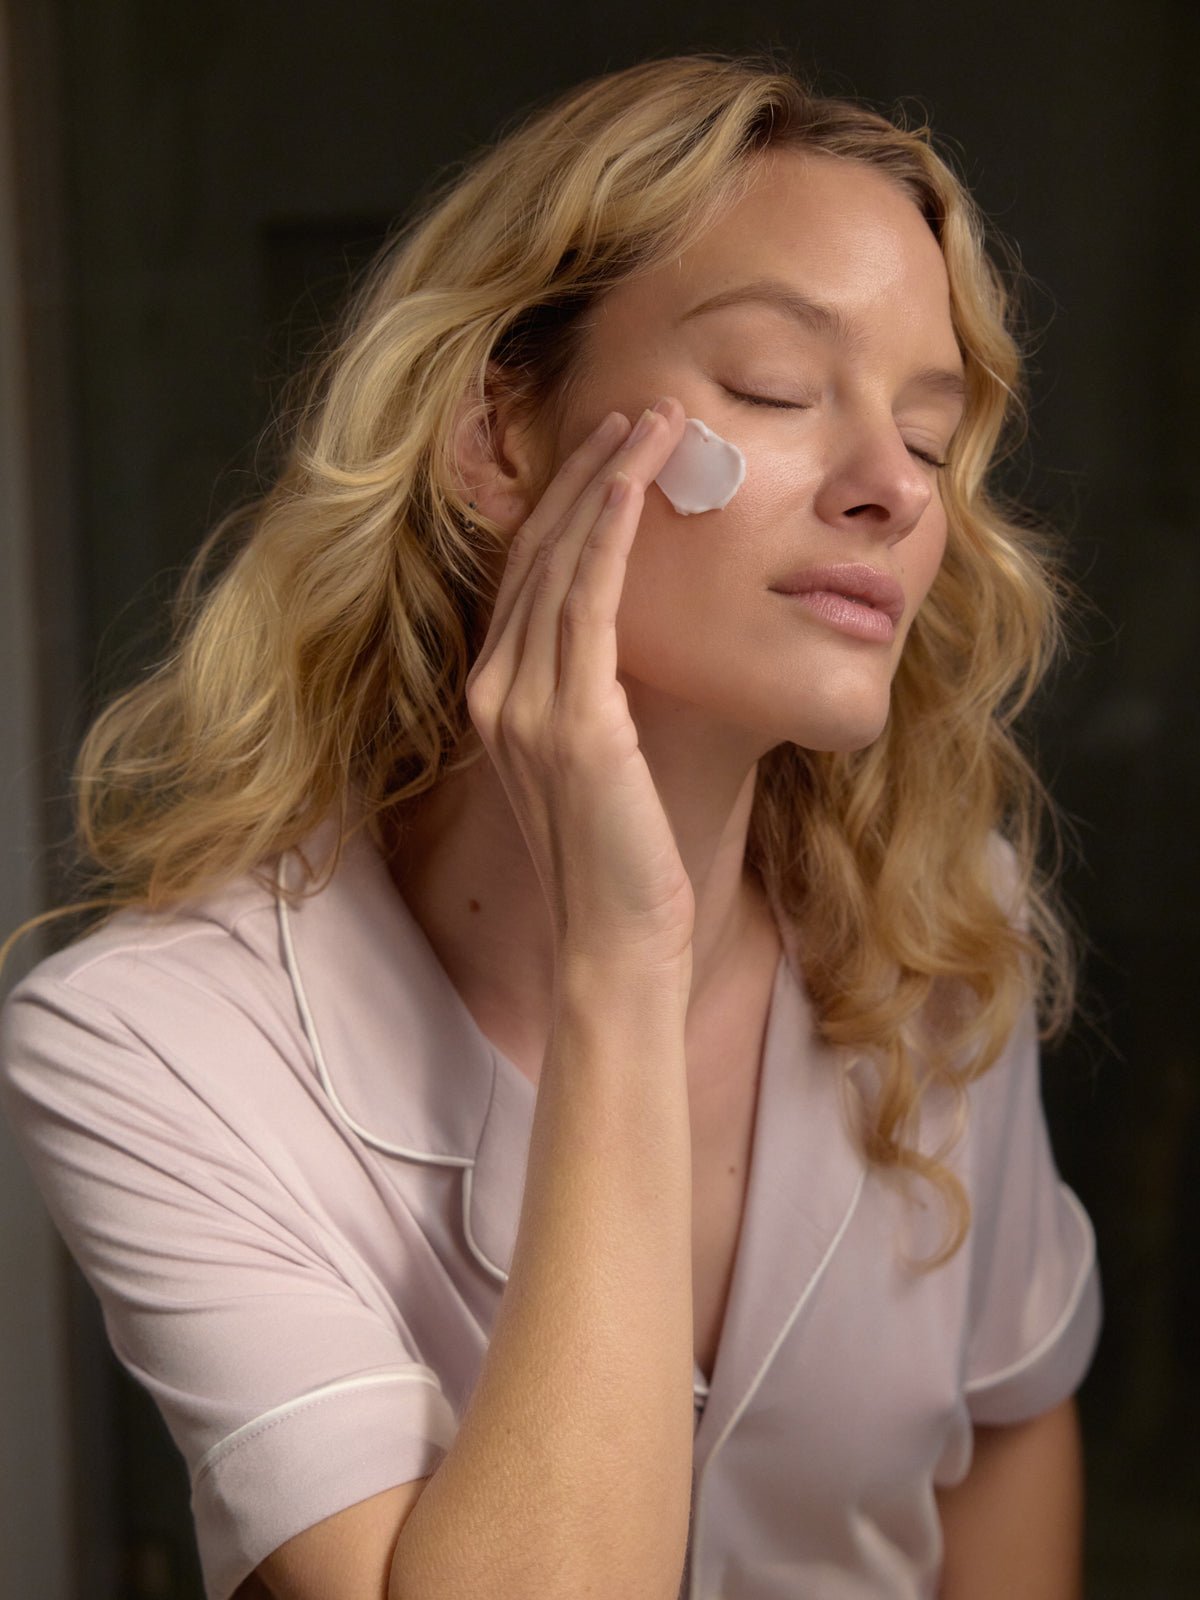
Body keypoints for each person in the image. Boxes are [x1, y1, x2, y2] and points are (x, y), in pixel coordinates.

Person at [0, 51, 1101, 1600]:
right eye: (777, 388)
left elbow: (1004, 1441)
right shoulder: (149, 1044)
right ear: (500, 442)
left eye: (928, 437)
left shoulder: (944, 923)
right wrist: (622, 970)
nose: (894, 491)